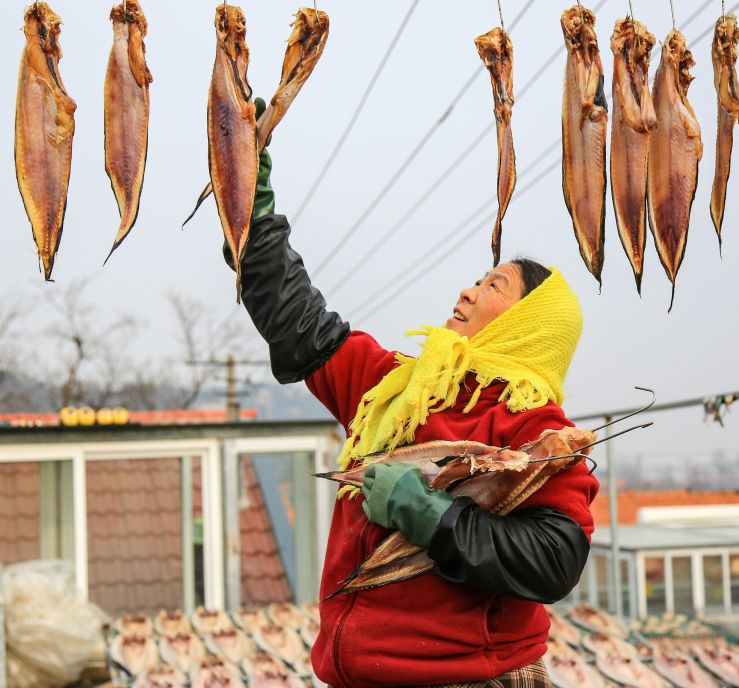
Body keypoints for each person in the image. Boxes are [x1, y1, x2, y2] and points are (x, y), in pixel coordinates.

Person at [226, 99, 599, 687]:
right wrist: (248, 199)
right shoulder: (394, 389)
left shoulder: (535, 427)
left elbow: (554, 559)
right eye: (476, 280)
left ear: (529, 325)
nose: (468, 292)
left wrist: (432, 516)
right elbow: (297, 320)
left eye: (493, 285)